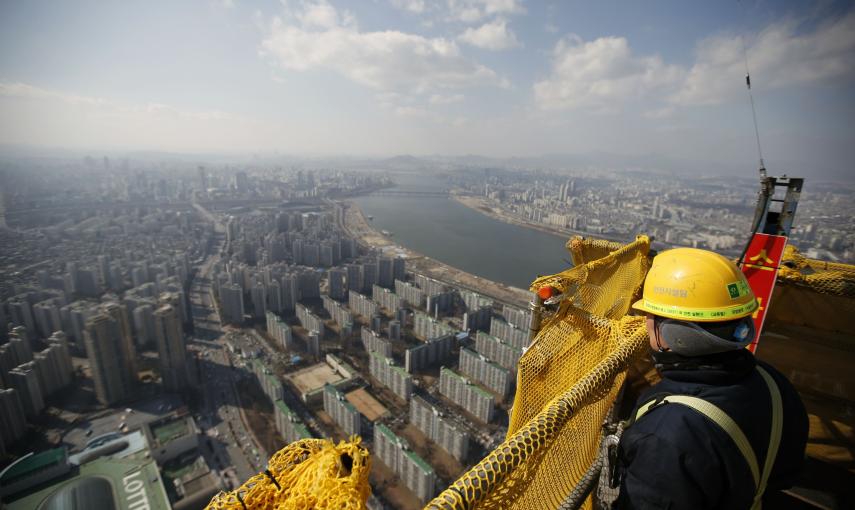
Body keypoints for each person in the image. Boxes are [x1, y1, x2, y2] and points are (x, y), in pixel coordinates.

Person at [613, 247, 808, 509]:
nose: (644, 323)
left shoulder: (666, 435)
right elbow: (786, 473)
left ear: (674, 333)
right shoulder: (774, 383)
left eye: (650, 316)